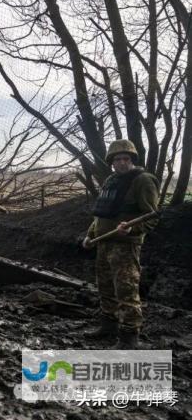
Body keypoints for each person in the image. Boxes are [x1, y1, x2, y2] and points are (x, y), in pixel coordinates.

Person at [82, 139, 159, 349]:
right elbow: (101, 213)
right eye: (118, 159)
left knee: (126, 290)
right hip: (103, 244)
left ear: (132, 160)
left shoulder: (143, 181)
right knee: (105, 286)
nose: (122, 162)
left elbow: (152, 217)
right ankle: (108, 325)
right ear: (111, 162)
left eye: (126, 158)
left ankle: (129, 337)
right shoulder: (111, 181)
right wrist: (90, 235)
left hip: (125, 247)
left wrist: (132, 229)